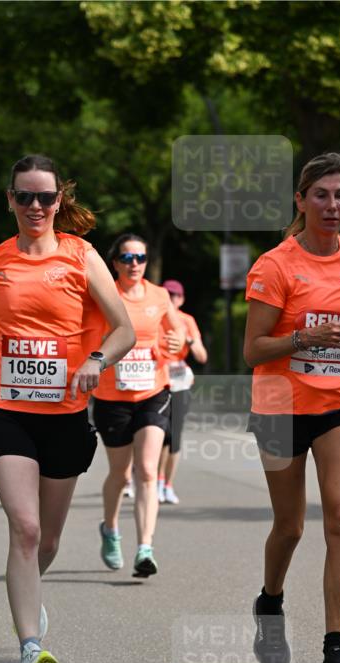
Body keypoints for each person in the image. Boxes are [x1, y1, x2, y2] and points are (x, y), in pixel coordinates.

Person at [0, 154, 135, 663]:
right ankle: (31, 649)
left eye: (45, 197)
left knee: (50, 538)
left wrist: (95, 361)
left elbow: (123, 328)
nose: (36, 206)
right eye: (25, 196)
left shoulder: (81, 257)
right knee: (27, 528)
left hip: (64, 414)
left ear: (60, 201)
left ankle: (28, 590)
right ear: (9, 200)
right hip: (6, 407)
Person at [244, 151, 340, 663]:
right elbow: (253, 349)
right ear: (301, 200)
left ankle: (335, 651)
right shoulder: (276, 265)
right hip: (279, 403)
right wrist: (306, 338)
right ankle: (270, 601)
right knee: (290, 526)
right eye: (321, 194)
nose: (332, 205)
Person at [92, 234, 186, 577]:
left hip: (153, 391)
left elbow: (178, 333)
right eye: (127, 258)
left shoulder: (160, 295)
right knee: (121, 473)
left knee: (147, 470)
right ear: (115, 262)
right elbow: (85, 334)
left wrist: (177, 340)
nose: (135, 264)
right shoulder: (103, 294)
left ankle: (145, 547)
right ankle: (110, 528)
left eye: (141, 257)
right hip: (111, 397)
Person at [157, 279, 208, 504]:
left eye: (175, 295)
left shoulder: (188, 321)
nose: (171, 298)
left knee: (175, 436)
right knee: (159, 433)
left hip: (179, 381)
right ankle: (155, 480)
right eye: (167, 294)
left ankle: (168, 484)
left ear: (182, 299)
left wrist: (186, 338)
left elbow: (202, 356)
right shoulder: (154, 317)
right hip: (156, 380)